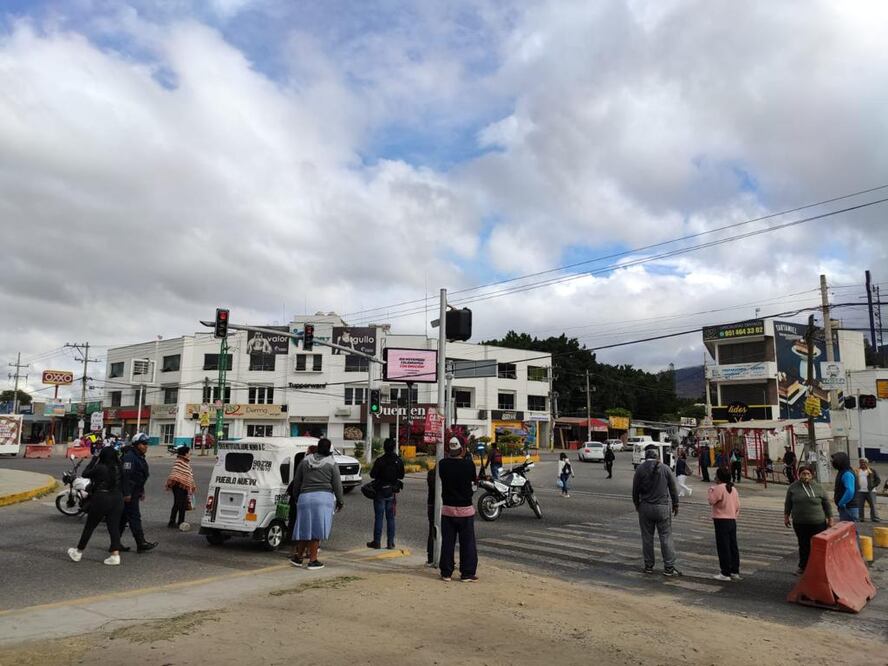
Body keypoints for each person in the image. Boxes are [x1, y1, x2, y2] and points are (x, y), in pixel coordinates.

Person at [290, 438, 344, 570]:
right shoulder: (331, 463)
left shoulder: (305, 461)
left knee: (304, 528)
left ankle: (298, 557)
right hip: (323, 499)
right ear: (329, 449)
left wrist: (297, 497)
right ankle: (313, 560)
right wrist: (340, 501)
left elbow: (297, 481)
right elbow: (337, 484)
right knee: (316, 530)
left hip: (304, 498)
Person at [67, 446, 125, 565]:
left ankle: (78, 552)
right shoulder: (119, 467)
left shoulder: (100, 468)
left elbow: (85, 473)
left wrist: (94, 460)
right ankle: (115, 555)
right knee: (113, 527)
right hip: (117, 498)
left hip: (102, 498)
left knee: (90, 526)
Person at [632, 447, 681, 577]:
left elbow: (635, 490)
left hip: (645, 507)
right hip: (662, 508)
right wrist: (676, 504)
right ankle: (669, 567)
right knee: (666, 537)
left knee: (647, 538)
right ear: (657, 457)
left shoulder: (640, 469)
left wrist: (637, 504)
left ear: (645, 456)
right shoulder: (665, 469)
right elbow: (673, 489)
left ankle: (648, 566)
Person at [438, 437, 478, 582]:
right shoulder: (469, 465)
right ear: (462, 449)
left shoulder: (442, 464)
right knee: (467, 543)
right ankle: (467, 573)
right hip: (465, 509)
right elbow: (474, 482)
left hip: (447, 508)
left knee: (448, 542)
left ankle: (446, 572)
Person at [784, 464, 834, 574]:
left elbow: (826, 504)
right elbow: (788, 503)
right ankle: (803, 567)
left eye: (808, 474)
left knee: (818, 546)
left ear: (812, 475)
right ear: (799, 474)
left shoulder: (818, 487)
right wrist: (786, 516)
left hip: (818, 523)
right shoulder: (793, 487)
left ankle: (820, 567)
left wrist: (830, 518)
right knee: (803, 545)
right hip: (800, 523)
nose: (806, 476)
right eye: (803, 474)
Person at [119, 433, 157, 553]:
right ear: (136, 444)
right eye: (143, 444)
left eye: (146, 444)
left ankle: (115, 543)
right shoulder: (130, 457)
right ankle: (141, 543)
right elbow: (126, 476)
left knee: (123, 518)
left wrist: (141, 491)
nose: (146, 446)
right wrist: (126, 493)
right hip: (128, 493)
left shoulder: (139, 456)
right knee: (134, 517)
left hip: (134, 491)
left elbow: (140, 477)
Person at [367, 438, 405, 549]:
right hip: (392, 492)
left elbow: (372, 475)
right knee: (391, 518)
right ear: (394, 447)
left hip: (380, 491)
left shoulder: (380, 460)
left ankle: (377, 542)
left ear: (384, 447)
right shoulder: (398, 461)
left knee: (379, 517)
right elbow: (401, 475)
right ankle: (390, 542)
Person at [708, 467, 741, 581]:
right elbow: (737, 506)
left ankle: (725, 572)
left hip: (721, 520)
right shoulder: (733, 489)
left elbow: (711, 501)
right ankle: (734, 570)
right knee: (733, 546)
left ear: (719, 477)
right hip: (732, 519)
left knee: (723, 546)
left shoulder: (718, 488)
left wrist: (711, 489)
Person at [165, 446, 197, 530]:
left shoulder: (186, 462)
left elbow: (188, 474)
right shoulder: (179, 462)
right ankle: (172, 522)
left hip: (184, 486)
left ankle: (180, 521)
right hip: (177, 486)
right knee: (178, 503)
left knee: (183, 504)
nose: (190, 454)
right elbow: (175, 474)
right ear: (185, 453)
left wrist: (189, 484)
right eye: (189, 452)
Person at [831, 452, 858, 522]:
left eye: (834, 460)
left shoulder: (847, 473)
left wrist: (841, 503)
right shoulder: (842, 472)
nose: (832, 462)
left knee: (850, 531)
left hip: (848, 508)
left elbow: (850, 491)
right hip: (847, 507)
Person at [855, 458, 882, 522]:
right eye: (861, 462)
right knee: (859, 505)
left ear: (867, 463)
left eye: (864, 462)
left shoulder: (872, 470)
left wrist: (872, 486)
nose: (862, 463)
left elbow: (878, 480)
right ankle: (860, 518)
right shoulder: (856, 470)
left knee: (873, 505)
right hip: (860, 491)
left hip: (871, 491)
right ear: (859, 463)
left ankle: (875, 518)